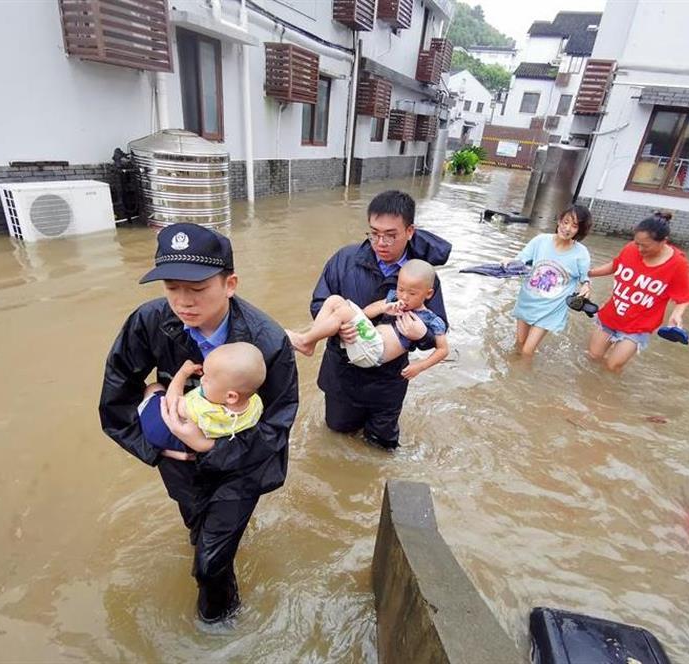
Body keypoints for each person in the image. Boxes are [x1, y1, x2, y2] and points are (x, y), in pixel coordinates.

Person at [99, 223, 298, 625]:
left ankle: (219, 623)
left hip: (244, 464)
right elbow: (114, 400)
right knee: (197, 530)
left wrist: (210, 449)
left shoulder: (268, 341)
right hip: (178, 462)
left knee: (208, 565)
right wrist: (156, 447)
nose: (183, 302)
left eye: (198, 289)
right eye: (172, 288)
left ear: (230, 284)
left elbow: (276, 427)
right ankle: (214, 549)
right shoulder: (149, 321)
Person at [310, 190, 450, 450]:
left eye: (390, 235)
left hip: (389, 381)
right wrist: (339, 330)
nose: (380, 242)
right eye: (374, 233)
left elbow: (437, 329)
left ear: (410, 231)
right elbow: (320, 304)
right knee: (337, 437)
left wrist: (422, 336)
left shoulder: (422, 277)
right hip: (343, 374)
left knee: (381, 447)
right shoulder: (344, 260)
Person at [289, 259, 449, 372]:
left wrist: (419, 366)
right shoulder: (394, 298)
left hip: (375, 353)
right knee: (334, 300)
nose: (404, 297)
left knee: (344, 312)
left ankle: (304, 341)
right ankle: (310, 343)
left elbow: (443, 350)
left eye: (412, 293)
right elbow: (366, 312)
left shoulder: (432, 319)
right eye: (401, 289)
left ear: (428, 294)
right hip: (367, 340)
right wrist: (385, 308)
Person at [587, 211, 689, 372]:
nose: (639, 248)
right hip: (611, 316)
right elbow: (615, 266)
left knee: (612, 366)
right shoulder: (631, 248)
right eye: (637, 243)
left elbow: (684, 296)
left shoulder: (678, 264)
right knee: (593, 357)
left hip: (638, 325)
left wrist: (677, 314)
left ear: (663, 242)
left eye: (645, 245)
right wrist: (588, 273)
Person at [138, 342, 266, 453]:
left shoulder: (202, 410)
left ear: (231, 397)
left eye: (208, 379)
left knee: (154, 388)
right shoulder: (256, 404)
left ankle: (144, 411)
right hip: (210, 444)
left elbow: (171, 403)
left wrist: (182, 374)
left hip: (166, 432)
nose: (202, 379)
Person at [507, 205, 593, 355]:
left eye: (574, 226)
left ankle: (524, 377)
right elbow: (521, 260)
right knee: (519, 343)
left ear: (580, 230)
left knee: (528, 351)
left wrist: (586, 286)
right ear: (559, 221)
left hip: (551, 308)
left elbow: (585, 278)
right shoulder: (540, 240)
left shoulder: (581, 253)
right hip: (527, 301)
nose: (567, 228)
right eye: (565, 222)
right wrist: (508, 262)